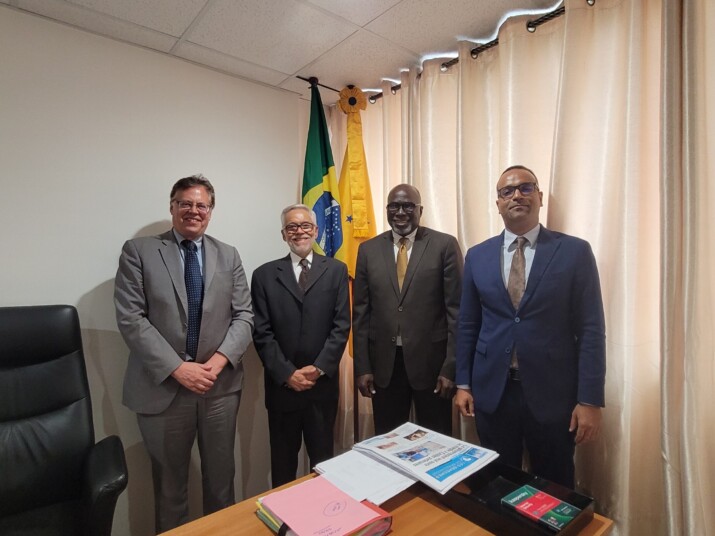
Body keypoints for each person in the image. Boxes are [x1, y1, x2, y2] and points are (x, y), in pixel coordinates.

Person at [114, 174, 253, 533]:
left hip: (219, 388)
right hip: (163, 388)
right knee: (170, 489)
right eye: (185, 203)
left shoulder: (229, 254)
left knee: (221, 482)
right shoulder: (139, 251)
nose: (193, 210)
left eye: (201, 205)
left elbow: (244, 315)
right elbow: (131, 318)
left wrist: (218, 362)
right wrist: (178, 368)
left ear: (211, 211)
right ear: (172, 207)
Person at [454, 165, 606, 488]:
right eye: (507, 191)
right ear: (498, 203)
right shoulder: (477, 256)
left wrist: (590, 400)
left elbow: (591, 329)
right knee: (498, 484)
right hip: (493, 393)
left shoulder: (574, 252)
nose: (517, 196)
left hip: (554, 395)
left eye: (525, 188)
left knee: (554, 486)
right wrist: (463, 383)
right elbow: (468, 325)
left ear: (540, 196)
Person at [251, 204, 350, 487]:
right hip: (283, 391)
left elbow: (341, 326)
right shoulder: (264, 275)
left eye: (305, 225)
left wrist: (318, 369)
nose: (299, 231)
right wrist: (288, 374)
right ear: (283, 234)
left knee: (324, 467)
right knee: (283, 469)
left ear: (316, 230)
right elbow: (261, 332)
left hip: (321, 389)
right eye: (291, 227)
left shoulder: (336, 270)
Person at [353, 184, 463, 436]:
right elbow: (360, 314)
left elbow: (456, 313)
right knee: (388, 441)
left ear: (420, 210)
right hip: (384, 368)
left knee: (436, 441)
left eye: (407, 206)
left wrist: (451, 368)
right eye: (394, 206)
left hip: (433, 366)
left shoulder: (444, 245)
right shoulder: (368, 250)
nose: (400, 212)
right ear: (386, 210)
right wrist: (363, 367)